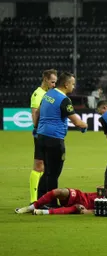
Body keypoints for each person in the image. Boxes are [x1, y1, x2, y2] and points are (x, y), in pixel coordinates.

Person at [34, 72, 88, 206]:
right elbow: (76, 122)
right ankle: (51, 202)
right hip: (54, 139)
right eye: (73, 84)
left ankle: (40, 200)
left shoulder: (48, 94)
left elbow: (38, 112)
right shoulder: (64, 99)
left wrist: (37, 127)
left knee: (46, 171)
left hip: (41, 137)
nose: (73, 87)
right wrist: (84, 125)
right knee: (53, 173)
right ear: (66, 84)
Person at [29, 69, 57, 204]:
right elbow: (35, 113)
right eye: (52, 82)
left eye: (55, 82)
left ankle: (43, 197)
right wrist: (36, 128)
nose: (54, 85)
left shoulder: (49, 94)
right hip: (40, 133)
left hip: (48, 134)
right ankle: (33, 199)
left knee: (46, 167)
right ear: (45, 79)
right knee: (39, 165)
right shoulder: (38, 94)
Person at [15, 187, 107, 215]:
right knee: (58, 192)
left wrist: (87, 211)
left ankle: (43, 212)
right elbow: (101, 190)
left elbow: (102, 210)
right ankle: (31, 207)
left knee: (76, 208)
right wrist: (104, 189)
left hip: (84, 204)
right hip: (80, 195)